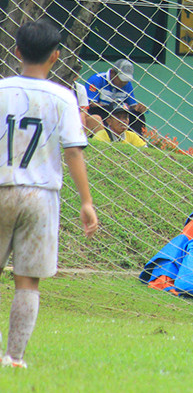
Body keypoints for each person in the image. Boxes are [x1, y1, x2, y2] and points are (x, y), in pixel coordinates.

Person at [0, 19, 99, 368]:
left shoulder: (1, 90)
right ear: (56, 55)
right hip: (40, 195)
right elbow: (73, 152)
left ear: (16, 51)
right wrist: (86, 201)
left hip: (1, 187)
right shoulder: (63, 97)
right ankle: (14, 357)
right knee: (28, 279)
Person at [85, 59, 147, 133]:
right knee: (103, 111)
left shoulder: (127, 84)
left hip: (119, 112)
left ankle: (138, 137)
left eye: (126, 80)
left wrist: (139, 108)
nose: (124, 82)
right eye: (121, 79)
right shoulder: (97, 79)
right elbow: (91, 104)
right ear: (112, 73)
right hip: (101, 112)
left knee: (137, 115)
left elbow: (132, 105)